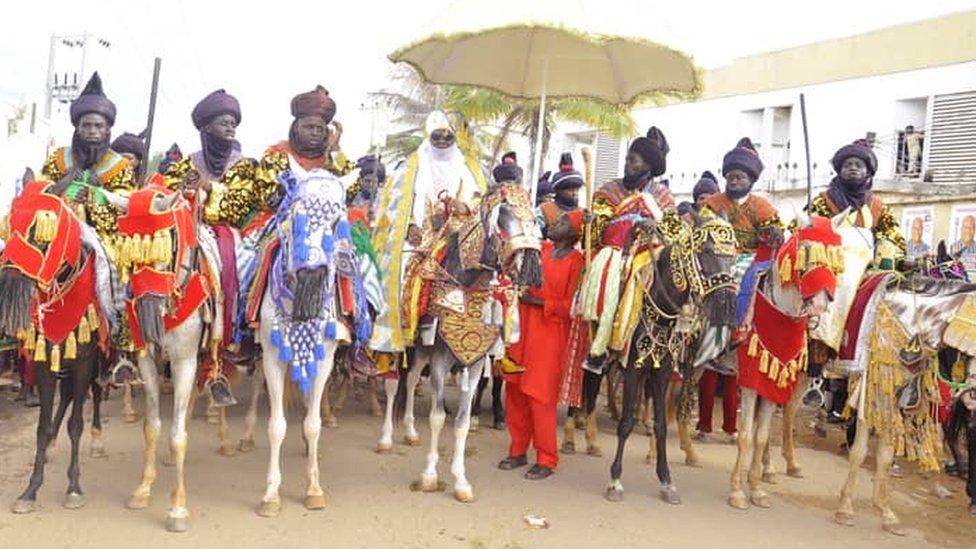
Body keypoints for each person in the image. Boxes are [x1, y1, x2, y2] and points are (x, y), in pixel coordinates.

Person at [370, 111, 487, 356]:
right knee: (398, 272)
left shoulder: (471, 168)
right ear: (429, 136)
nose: (443, 141)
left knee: (491, 286)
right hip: (417, 238)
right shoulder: (409, 166)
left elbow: (482, 202)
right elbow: (393, 206)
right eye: (437, 136)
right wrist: (409, 225)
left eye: (448, 136)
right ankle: (395, 342)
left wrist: (464, 207)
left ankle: (489, 347)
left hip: (458, 237)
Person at [499, 210, 586, 479]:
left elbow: (573, 305)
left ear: (573, 233)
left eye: (561, 222)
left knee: (540, 397)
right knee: (514, 390)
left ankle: (547, 458)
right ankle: (517, 450)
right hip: (523, 328)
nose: (553, 223)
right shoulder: (542, 249)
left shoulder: (578, 261)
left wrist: (538, 302)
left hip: (550, 335)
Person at [41, 72, 135, 236]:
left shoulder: (120, 166)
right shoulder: (58, 158)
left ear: (107, 130)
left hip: (102, 238)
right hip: (55, 230)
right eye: (87, 125)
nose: (92, 131)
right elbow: (38, 197)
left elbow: (126, 209)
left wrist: (94, 194)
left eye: (98, 126)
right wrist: (63, 184)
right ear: (77, 128)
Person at [536, 153, 583, 239]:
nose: (575, 193)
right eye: (570, 190)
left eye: (577, 189)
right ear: (559, 191)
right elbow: (536, 237)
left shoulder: (583, 212)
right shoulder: (543, 210)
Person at [951, 215, 976, 279]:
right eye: (966, 227)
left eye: (972, 228)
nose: (968, 231)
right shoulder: (952, 248)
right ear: (961, 229)